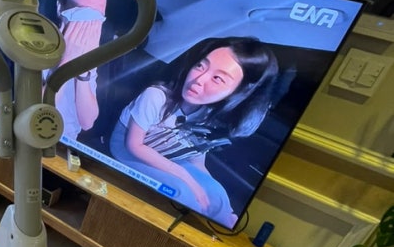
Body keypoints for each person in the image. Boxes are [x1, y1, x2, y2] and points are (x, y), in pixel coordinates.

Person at [110, 36, 280, 228]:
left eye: (217, 78)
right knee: (182, 192)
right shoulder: (156, 96)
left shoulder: (208, 115)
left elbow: (196, 160)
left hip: (170, 155)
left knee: (217, 194)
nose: (198, 80)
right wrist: (186, 178)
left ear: (237, 93)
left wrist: (208, 190)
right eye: (200, 66)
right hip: (129, 148)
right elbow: (134, 145)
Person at [49, 0, 112, 141]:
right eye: (82, 13)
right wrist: (66, 61)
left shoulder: (90, 48)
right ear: (60, 7)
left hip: (67, 143)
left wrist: (83, 70)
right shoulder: (39, 43)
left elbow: (87, 122)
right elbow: (34, 110)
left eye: (96, 17)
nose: (88, 25)